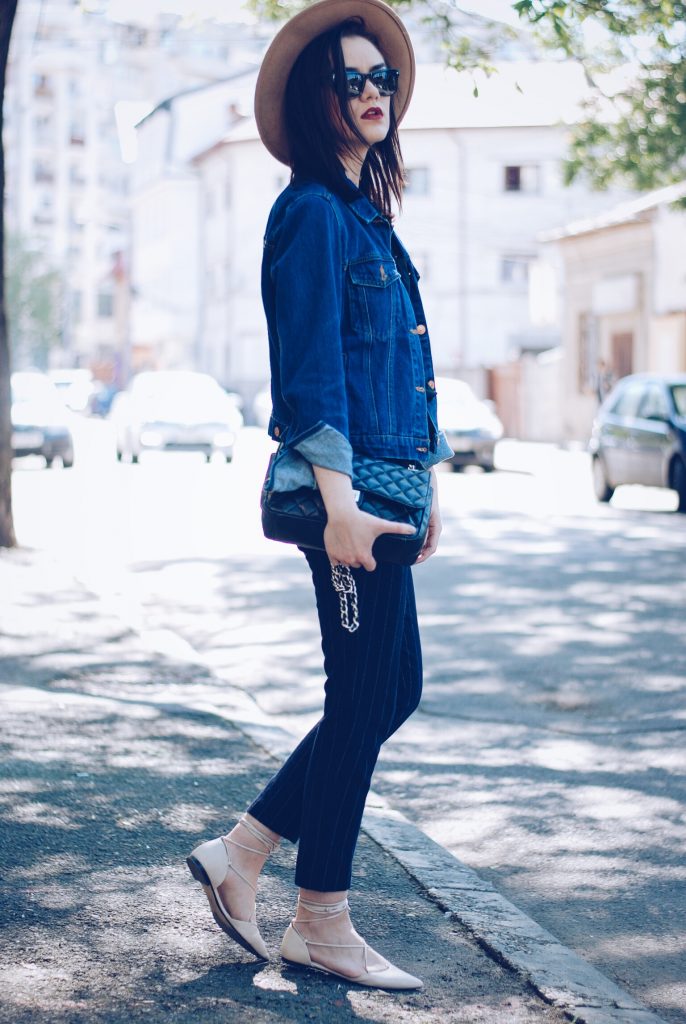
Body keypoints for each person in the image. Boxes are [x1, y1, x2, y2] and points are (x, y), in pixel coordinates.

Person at [187, 0, 452, 990]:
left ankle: (244, 851)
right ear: (316, 96)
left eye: (380, 76)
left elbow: (400, 372)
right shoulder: (305, 211)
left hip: (387, 488)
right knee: (359, 701)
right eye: (351, 78)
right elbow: (309, 372)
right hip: (344, 494)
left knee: (395, 692)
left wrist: (423, 488)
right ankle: (320, 919)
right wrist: (341, 502)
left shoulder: (365, 216)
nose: (372, 91)